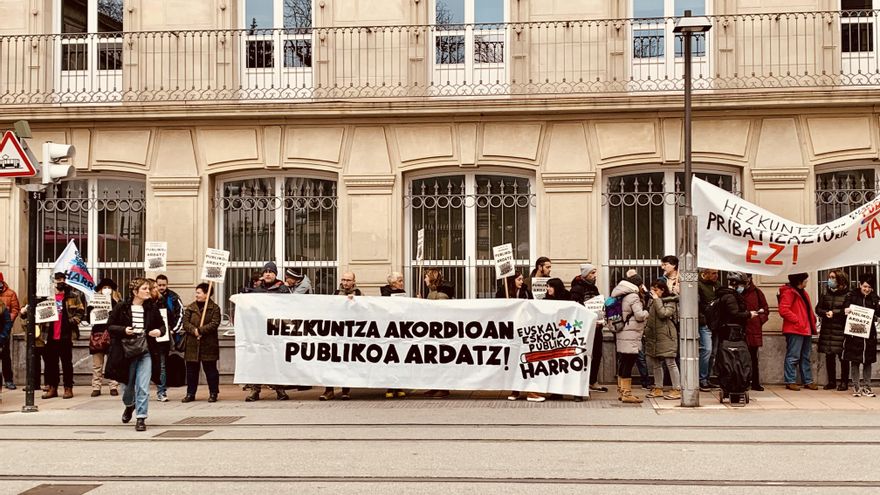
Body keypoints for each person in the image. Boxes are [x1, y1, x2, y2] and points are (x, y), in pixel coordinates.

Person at [106, 278, 166, 431]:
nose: (148, 291)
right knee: (127, 388)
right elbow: (110, 326)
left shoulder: (152, 308)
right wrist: (124, 330)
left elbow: (162, 326)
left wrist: (158, 331)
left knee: (143, 386)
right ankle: (129, 405)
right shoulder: (122, 307)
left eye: (148, 288)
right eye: (145, 288)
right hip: (127, 352)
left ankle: (141, 418)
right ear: (135, 292)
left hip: (146, 351)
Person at [246, 261, 292, 402]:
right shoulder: (256, 290)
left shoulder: (283, 289)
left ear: (275, 274)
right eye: (265, 272)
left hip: (276, 330)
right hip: (259, 331)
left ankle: (280, 390)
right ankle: (255, 390)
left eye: (270, 272)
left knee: (276, 361)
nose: (267, 274)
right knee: (257, 360)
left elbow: (289, 307)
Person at [39, 272, 85, 400]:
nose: (61, 282)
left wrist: (72, 321)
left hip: (66, 334)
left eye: (63, 279)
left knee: (66, 363)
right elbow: (40, 312)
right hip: (50, 333)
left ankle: (68, 388)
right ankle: (53, 388)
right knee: (51, 363)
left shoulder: (73, 295)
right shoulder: (48, 297)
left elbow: (81, 311)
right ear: (53, 281)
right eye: (58, 279)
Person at [498, 272, 542, 402]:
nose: (522, 281)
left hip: (524, 329)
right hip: (510, 331)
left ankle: (530, 391)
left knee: (526, 360)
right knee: (513, 361)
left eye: (522, 279)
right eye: (519, 279)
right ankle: (515, 390)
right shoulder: (502, 291)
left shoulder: (526, 292)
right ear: (512, 280)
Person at [320, 272, 361, 401]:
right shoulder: (336, 293)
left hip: (350, 334)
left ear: (353, 281)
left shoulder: (359, 294)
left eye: (348, 280)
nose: (345, 283)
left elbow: (364, 312)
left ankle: (345, 390)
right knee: (330, 362)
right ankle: (329, 390)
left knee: (347, 362)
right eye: (343, 280)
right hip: (336, 333)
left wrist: (354, 302)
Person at [610, 273, 648, 403]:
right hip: (631, 334)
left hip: (622, 332)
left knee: (624, 362)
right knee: (629, 362)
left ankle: (621, 390)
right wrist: (646, 312)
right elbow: (639, 315)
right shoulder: (633, 296)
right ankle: (627, 393)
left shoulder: (619, 294)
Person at [181, 283, 222, 403]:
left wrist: (200, 330)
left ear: (207, 294)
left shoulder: (214, 308)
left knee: (211, 371)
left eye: (199, 293)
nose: (196, 295)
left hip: (208, 345)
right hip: (192, 345)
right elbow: (185, 322)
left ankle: (213, 393)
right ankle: (190, 393)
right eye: (196, 292)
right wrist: (193, 330)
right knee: (191, 372)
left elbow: (215, 323)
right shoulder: (191, 307)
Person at [570, 263, 607, 395]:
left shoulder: (594, 288)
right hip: (585, 328)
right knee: (584, 355)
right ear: (585, 274)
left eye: (595, 272)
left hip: (596, 327)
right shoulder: (577, 289)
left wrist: (601, 316)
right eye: (592, 273)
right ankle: (583, 382)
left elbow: (597, 305)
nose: (595, 275)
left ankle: (593, 380)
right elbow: (576, 309)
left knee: (597, 354)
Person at [778, 272, 818, 391]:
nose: (806, 281)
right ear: (799, 282)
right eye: (805, 280)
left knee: (805, 356)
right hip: (796, 329)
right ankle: (790, 380)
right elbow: (783, 310)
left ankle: (808, 380)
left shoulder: (802, 292)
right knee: (793, 356)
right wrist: (798, 320)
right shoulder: (789, 292)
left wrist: (811, 320)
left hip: (805, 328)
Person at [644, 280, 681, 400]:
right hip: (653, 336)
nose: (653, 292)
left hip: (666, 335)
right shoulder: (652, 300)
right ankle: (658, 388)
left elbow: (663, 314)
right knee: (656, 363)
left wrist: (656, 300)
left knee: (670, 362)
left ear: (662, 290)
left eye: (656, 290)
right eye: (652, 290)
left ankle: (677, 389)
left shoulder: (670, 301)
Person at [843, 274, 879, 397]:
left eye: (869, 287)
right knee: (855, 361)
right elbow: (844, 307)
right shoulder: (852, 296)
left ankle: (867, 386)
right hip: (854, 334)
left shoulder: (874, 298)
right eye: (864, 286)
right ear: (860, 285)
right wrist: (846, 310)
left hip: (869, 335)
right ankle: (856, 386)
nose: (867, 289)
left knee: (868, 361)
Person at [815, 269, 851, 391]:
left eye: (833, 277)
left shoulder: (848, 295)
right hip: (827, 329)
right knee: (829, 356)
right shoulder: (825, 294)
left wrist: (834, 313)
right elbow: (818, 309)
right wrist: (825, 313)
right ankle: (831, 381)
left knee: (843, 357)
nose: (830, 280)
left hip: (841, 329)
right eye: (830, 277)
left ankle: (844, 382)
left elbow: (847, 311)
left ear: (840, 280)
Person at [87, 278, 120, 397]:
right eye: (104, 288)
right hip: (97, 334)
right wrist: (91, 308)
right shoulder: (94, 302)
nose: (106, 290)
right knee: (97, 364)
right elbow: (88, 319)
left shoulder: (117, 303)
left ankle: (113, 386)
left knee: (113, 363)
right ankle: (96, 387)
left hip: (112, 335)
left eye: (109, 288)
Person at [423, 268, 452, 398]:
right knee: (433, 362)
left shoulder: (440, 295)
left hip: (440, 334)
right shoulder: (431, 292)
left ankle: (443, 388)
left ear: (431, 278)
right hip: (433, 333)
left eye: (426, 277)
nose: (424, 279)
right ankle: (434, 386)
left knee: (441, 361)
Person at [381, 272, 407, 399]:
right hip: (389, 331)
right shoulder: (385, 294)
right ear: (393, 283)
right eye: (400, 280)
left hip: (400, 332)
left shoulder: (404, 293)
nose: (402, 283)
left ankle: (399, 386)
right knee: (390, 360)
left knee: (399, 360)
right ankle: (390, 386)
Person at [741, 274, 770, 391]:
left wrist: (758, 320)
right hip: (741, 329)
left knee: (753, 357)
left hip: (753, 329)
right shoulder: (737, 291)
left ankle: (755, 382)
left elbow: (765, 309)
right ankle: (743, 381)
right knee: (741, 357)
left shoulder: (757, 292)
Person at [697, 268, 720, 392]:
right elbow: (697, 305)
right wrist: (703, 320)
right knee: (707, 350)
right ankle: (702, 379)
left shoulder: (717, 285)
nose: (716, 275)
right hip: (705, 323)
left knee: (713, 353)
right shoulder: (698, 285)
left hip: (715, 322)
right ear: (704, 274)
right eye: (713, 273)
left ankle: (707, 378)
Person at [0, 271, 20, 390]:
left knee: (5, 356)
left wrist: (9, 322)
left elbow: (15, 309)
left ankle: (8, 380)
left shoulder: (10, 293)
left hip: (4, 330)